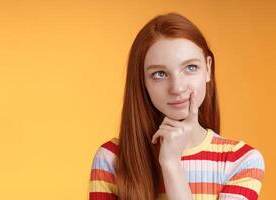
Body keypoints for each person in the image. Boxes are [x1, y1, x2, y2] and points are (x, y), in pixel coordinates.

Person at [88, 12, 265, 200]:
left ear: (208, 69)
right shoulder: (112, 158)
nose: (177, 88)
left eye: (190, 68)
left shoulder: (241, 160)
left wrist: (171, 164)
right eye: (160, 74)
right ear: (142, 81)